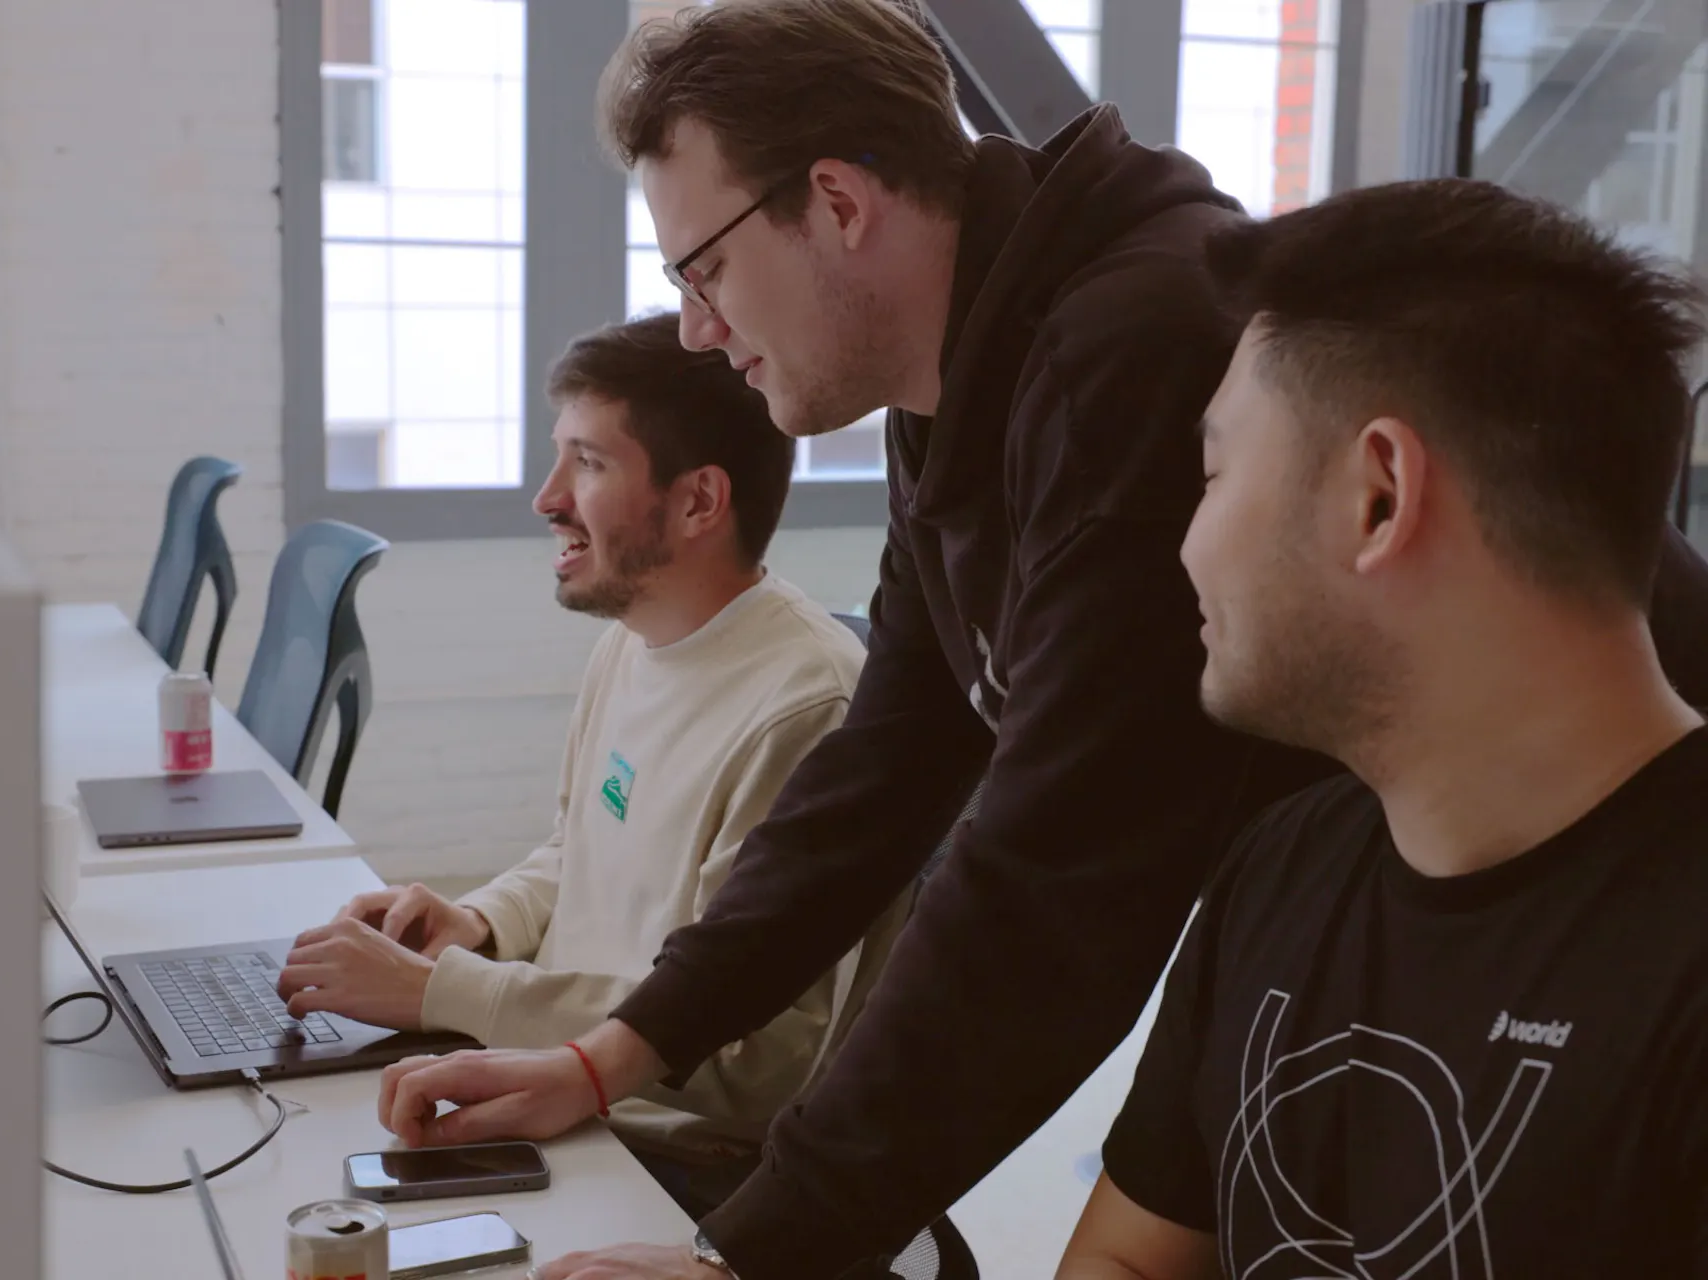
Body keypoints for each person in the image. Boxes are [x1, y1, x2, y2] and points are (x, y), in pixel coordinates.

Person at [373, 4, 1708, 1277]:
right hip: (1367, 919)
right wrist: (619, 1050)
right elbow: (888, 767)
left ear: (838, 203)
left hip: (1583, 908)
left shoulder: (1124, 348)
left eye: (705, 267)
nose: (696, 326)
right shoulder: (957, 392)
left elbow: (1050, 887)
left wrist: (754, 1245)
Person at [1058, 180, 1708, 1278]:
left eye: (1213, 474)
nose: (1185, 545)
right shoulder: (1282, 869)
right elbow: (1127, 1255)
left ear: (1378, 496)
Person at [276, 312, 897, 1213]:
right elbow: (576, 854)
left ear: (697, 502)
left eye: (589, 463)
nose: (547, 497)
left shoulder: (804, 709)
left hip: (675, 1167)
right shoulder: (637, 636)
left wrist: (445, 992)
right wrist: (474, 925)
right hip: (569, 1101)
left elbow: (753, 1060)